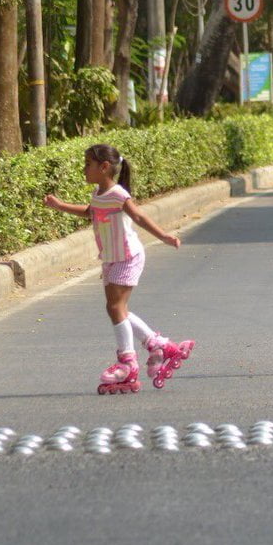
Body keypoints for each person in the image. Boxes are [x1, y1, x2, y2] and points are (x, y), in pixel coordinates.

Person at [44, 144, 193, 394]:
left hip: (128, 257)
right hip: (112, 258)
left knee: (115, 308)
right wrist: (60, 206)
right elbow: (90, 212)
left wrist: (164, 236)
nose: (84, 169)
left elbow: (139, 217)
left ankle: (128, 363)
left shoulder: (118, 194)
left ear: (104, 167)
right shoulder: (99, 193)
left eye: (88, 164)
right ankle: (160, 346)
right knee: (117, 309)